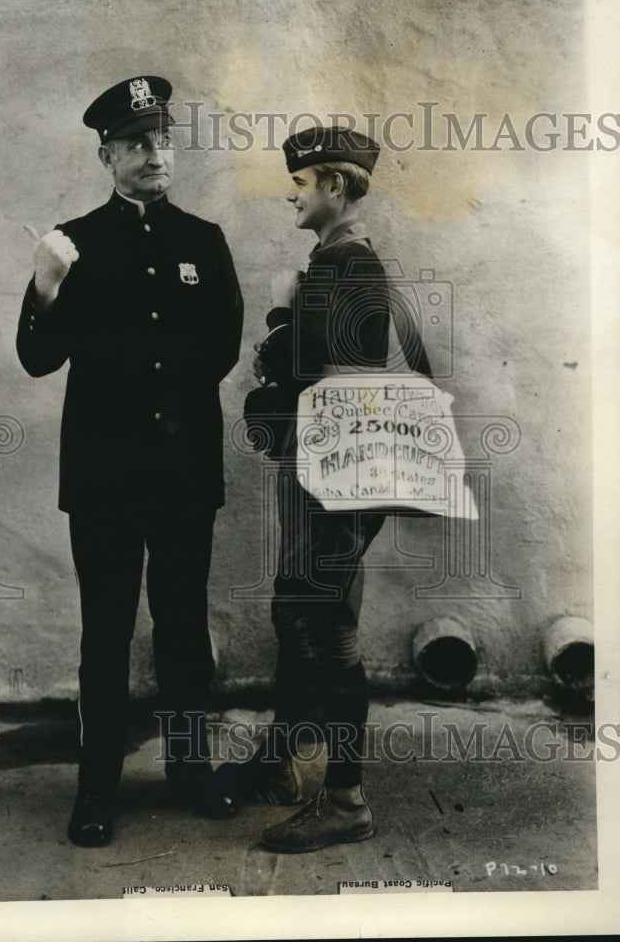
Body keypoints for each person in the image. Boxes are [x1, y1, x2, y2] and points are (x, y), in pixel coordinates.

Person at [16, 75, 244, 847]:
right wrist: (47, 284)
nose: (155, 154)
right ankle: (96, 789)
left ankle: (191, 771)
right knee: (105, 634)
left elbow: (220, 346)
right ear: (107, 155)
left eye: (163, 140)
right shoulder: (74, 241)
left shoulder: (202, 240)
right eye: (137, 143)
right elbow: (38, 359)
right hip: (105, 476)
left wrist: (142, 374)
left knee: (182, 628)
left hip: (181, 472)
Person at [220, 126, 431, 853]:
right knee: (296, 612)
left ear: (335, 186)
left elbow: (303, 365)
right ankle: (282, 764)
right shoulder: (334, 262)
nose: (293, 193)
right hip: (322, 468)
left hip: (339, 477)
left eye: (303, 183)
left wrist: (281, 311)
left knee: (324, 626)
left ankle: (345, 799)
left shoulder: (350, 265)